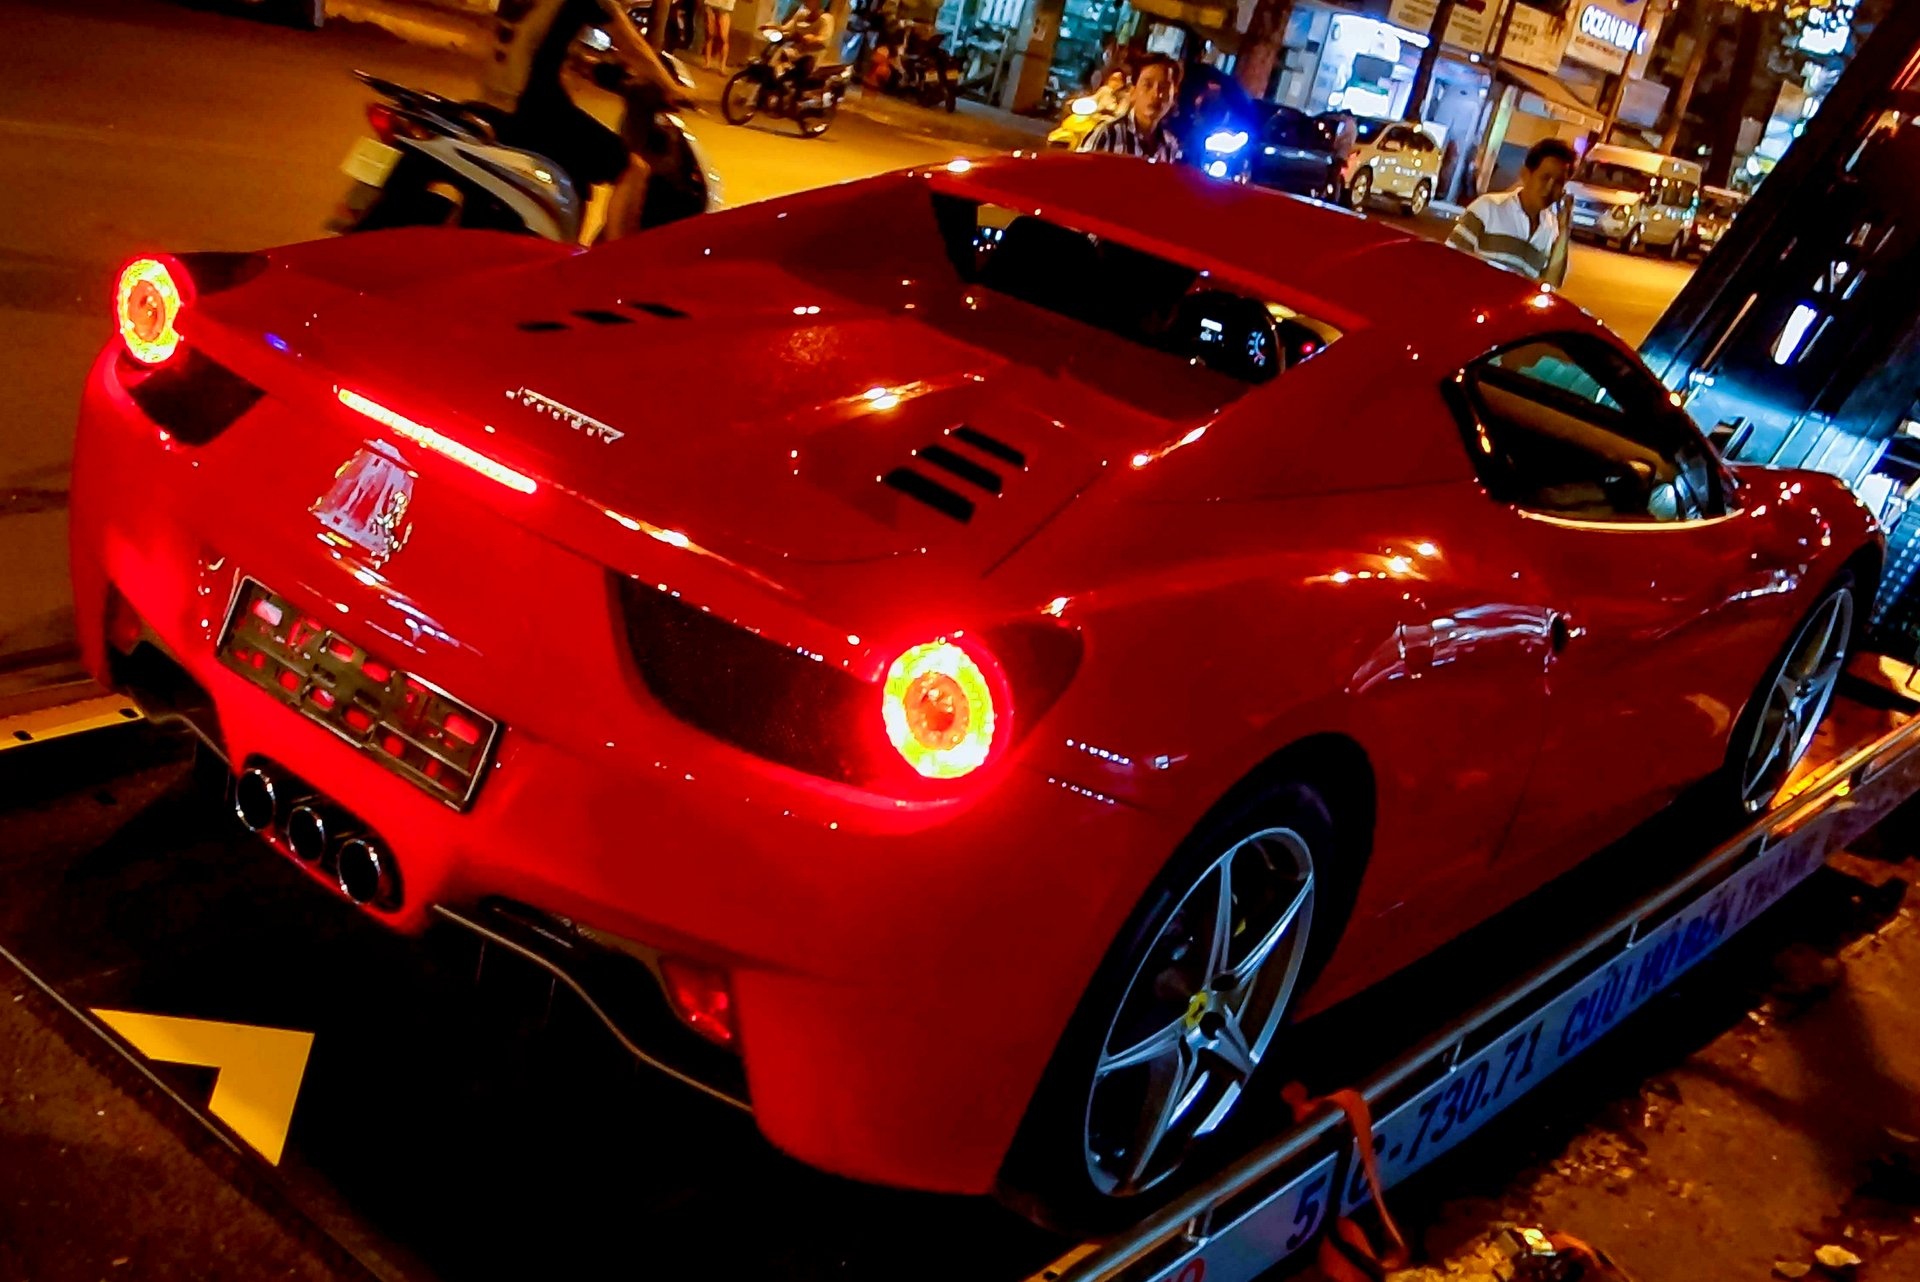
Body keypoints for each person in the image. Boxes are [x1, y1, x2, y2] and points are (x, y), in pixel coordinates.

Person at [478, 0, 686, 240]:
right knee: (633, 169)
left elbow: (535, 41)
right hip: (534, 110)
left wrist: (585, 65)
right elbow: (632, 45)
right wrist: (672, 88)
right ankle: (615, 259)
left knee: (575, 174)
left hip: (492, 102)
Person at [1446, 138, 1576, 282]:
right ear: (1525, 174)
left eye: (1559, 182)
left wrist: (1565, 231)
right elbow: (1449, 262)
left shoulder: (1552, 230)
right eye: (1545, 178)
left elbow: (1552, 283)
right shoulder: (1487, 208)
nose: (1550, 188)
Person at [1077, 53, 1180, 162]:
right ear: (1133, 91)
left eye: (1164, 87)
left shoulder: (1170, 147)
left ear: (1173, 96)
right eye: (1147, 85)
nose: (1156, 94)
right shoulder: (1107, 135)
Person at [702, 0, 735, 71]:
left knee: (724, 37)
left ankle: (723, 66)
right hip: (711, 4)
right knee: (710, 35)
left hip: (725, 8)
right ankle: (708, 63)